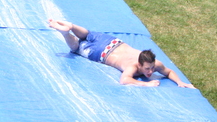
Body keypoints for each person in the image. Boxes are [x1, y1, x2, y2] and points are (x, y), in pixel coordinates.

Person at [48, 19, 195, 88]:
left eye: (151, 68)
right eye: (147, 69)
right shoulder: (133, 67)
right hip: (101, 52)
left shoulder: (154, 64)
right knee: (76, 47)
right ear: (139, 64)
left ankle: (73, 26)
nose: (150, 71)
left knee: (89, 34)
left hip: (111, 41)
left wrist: (180, 82)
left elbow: (168, 72)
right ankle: (66, 32)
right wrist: (146, 84)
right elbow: (124, 80)